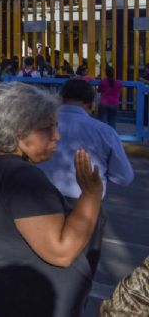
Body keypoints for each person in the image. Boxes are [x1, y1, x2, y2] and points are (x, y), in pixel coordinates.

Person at [0, 82, 102, 317]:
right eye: (47, 129)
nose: (57, 136)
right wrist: (91, 196)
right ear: (19, 134)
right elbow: (61, 252)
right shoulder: (23, 178)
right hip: (7, 303)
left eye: (56, 126)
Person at [37, 78, 133, 275]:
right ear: (90, 104)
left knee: (40, 266)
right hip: (86, 207)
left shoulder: (39, 126)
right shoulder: (105, 132)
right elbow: (124, 177)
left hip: (41, 202)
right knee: (82, 271)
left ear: (60, 99)